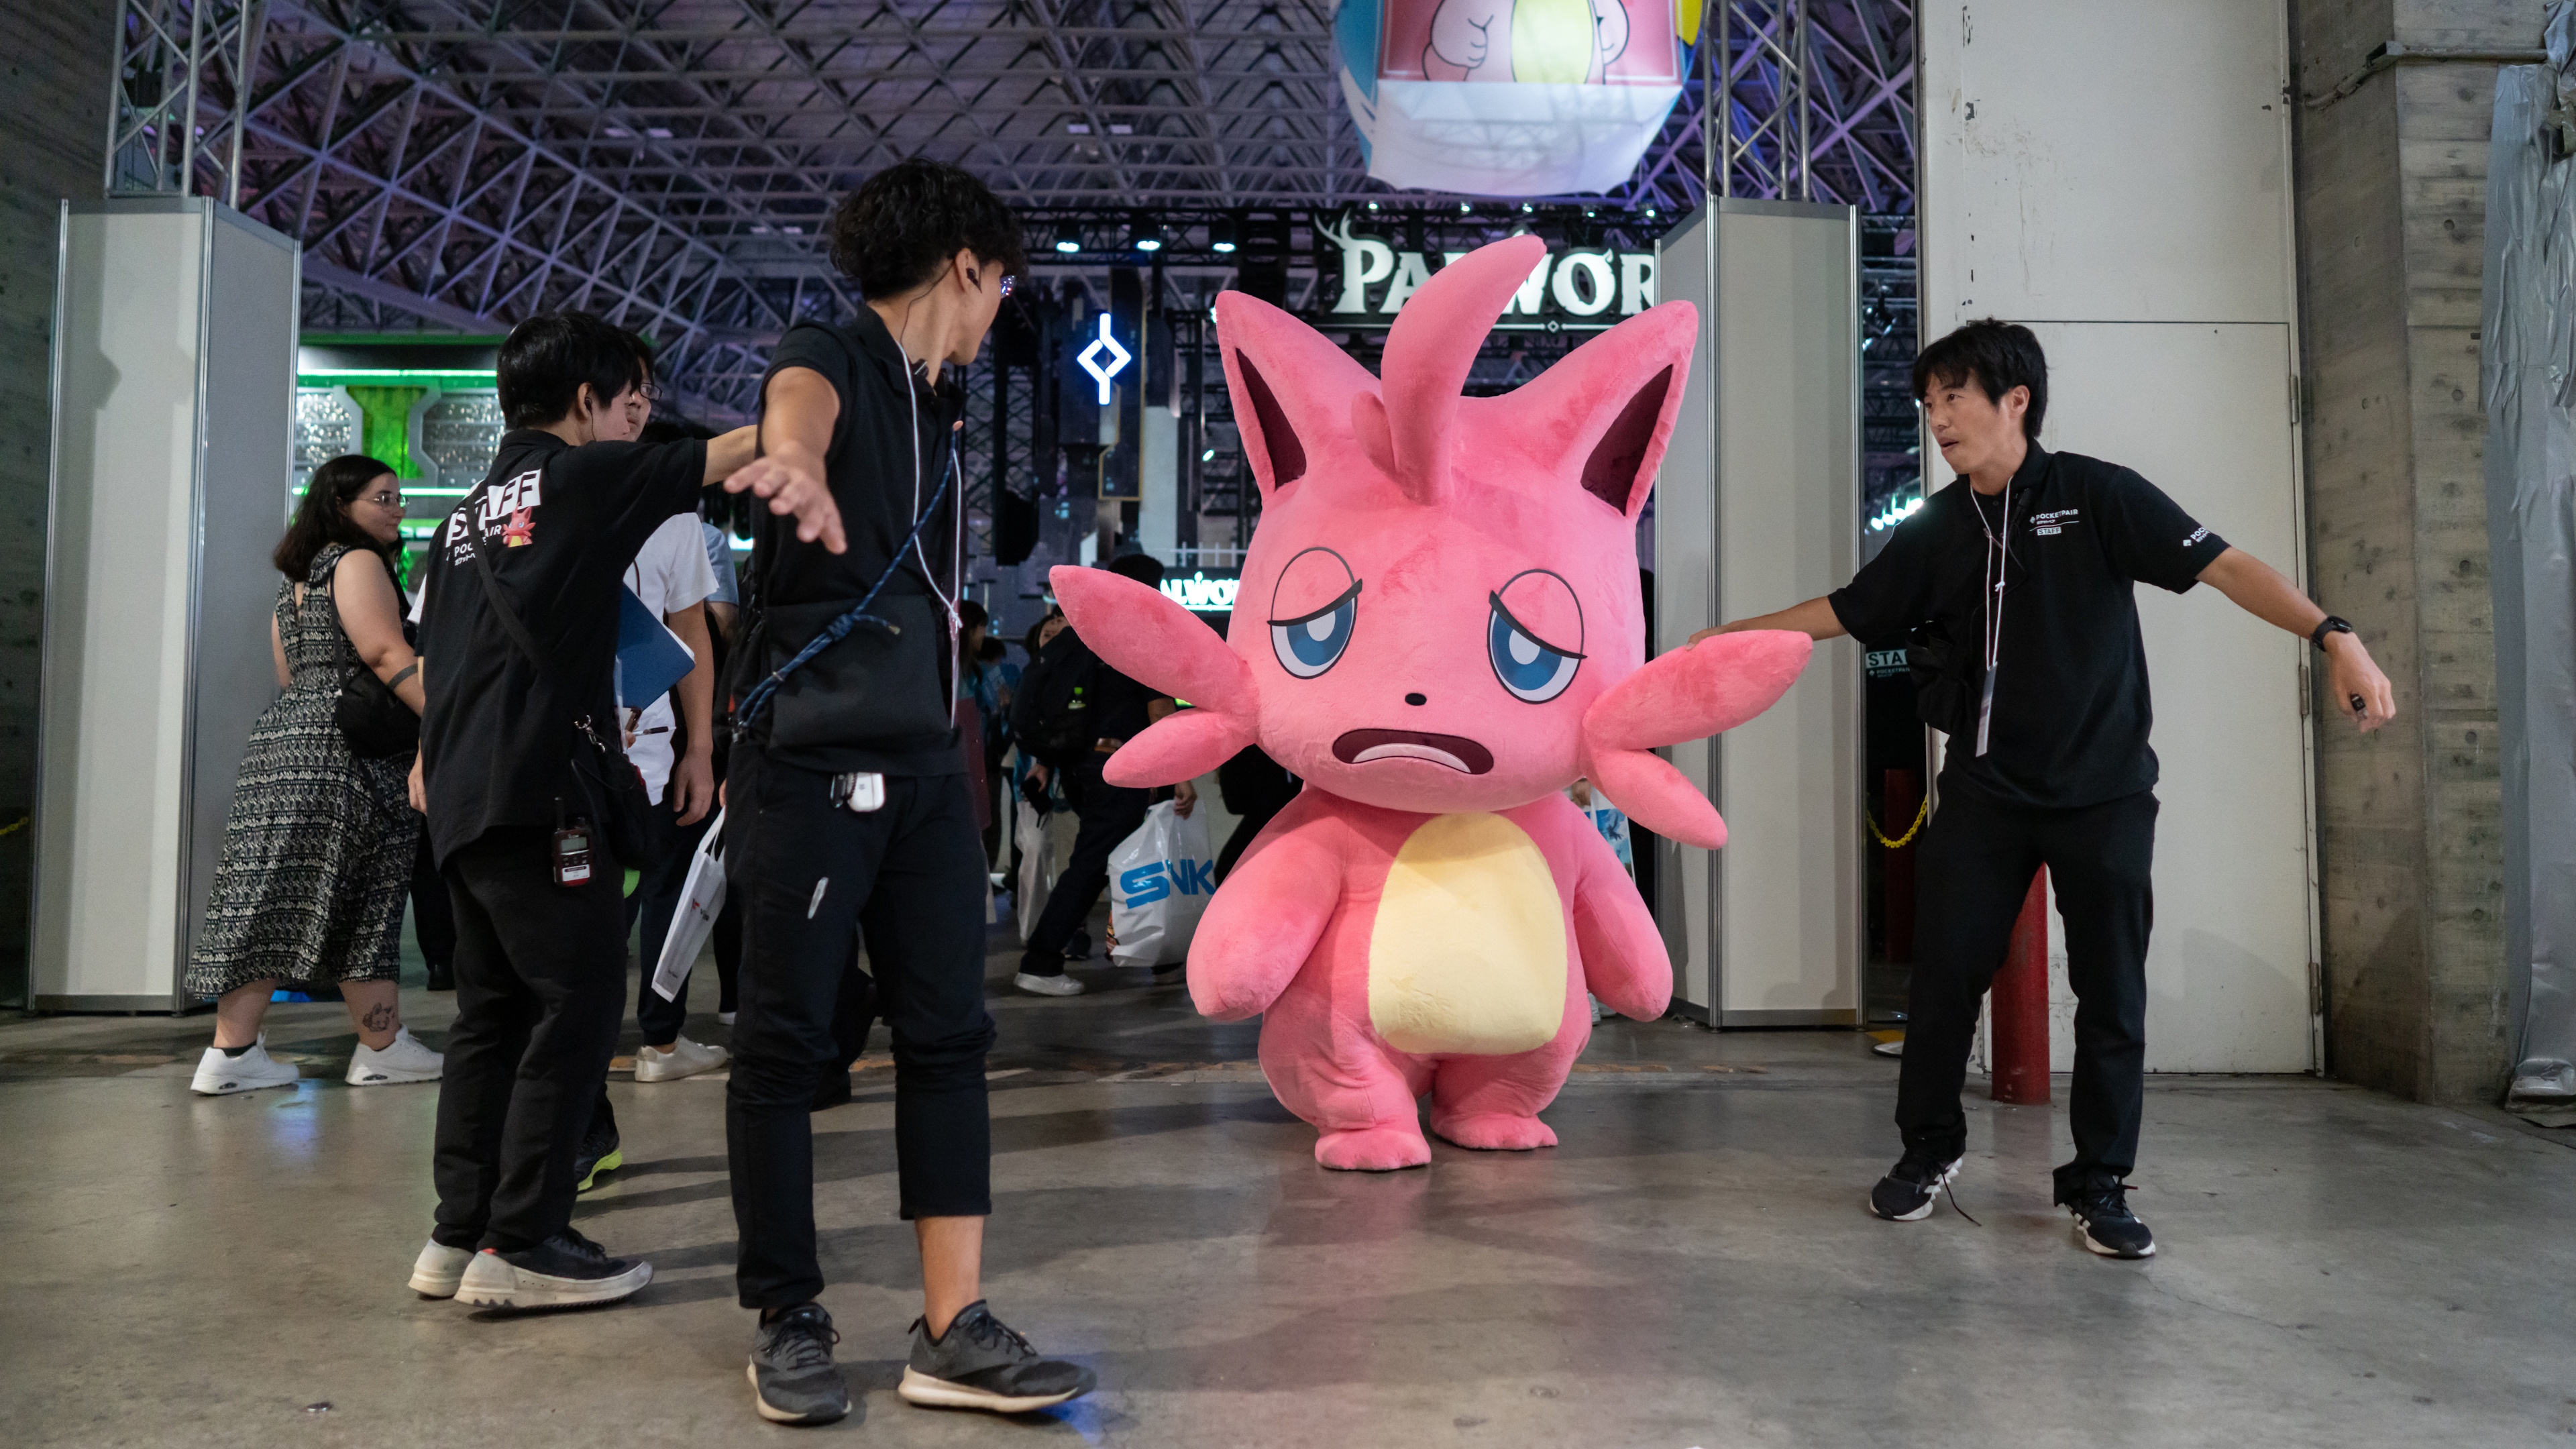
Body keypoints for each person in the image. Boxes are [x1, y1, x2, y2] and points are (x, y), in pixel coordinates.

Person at [1695, 319, 2396, 1259]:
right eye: (1929, 403)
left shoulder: (2098, 496)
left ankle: (2099, 1183)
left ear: (2014, 400)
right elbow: (1847, 611)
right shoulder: (1939, 529)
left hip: (2104, 793)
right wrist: (1726, 641)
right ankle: (1927, 1153)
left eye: (1955, 397)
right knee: (1944, 982)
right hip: (1985, 795)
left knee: (2112, 994)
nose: (1938, 417)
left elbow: (2223, 565)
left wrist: (2335, 636)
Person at [717, 158, 1094, 1428]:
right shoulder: (834, 346)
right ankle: (787, 1315)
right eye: (1000, 289)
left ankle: (954, 1327)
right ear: (967, 268)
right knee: (783, 1045)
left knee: (950, 1041)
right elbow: (797, 400)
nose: (998, 314)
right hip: (810, 765)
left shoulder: (943, 402)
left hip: (928, 767)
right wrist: (794, 463)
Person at [401, 311, 840, 1312]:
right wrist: (818, 385)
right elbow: (735, 451)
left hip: (467, 792)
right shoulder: (579, 477)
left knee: (491, 1015)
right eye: (625, 400)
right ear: (585, 401)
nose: (635, 419)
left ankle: (456, 1232)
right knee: (580, 1004)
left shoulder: (462, 515)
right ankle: (524, 1241)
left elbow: (443, 662)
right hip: (548, 788)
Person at [186, 454, 440, 1095]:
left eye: (398, 497)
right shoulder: (356, 563)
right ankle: (380, 1048)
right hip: (348, 751)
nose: (398, 509)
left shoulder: (295, 579)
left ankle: (236, 1052)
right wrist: (442, 718)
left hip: (286, 739)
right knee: (368, 895)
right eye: (383, 497)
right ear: (341, 503)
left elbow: (287, 673)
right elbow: (386, 652)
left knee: (266, 899)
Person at [1011, 553, 1193, 996]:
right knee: (1097, 863)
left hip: (1082, 768)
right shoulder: (1140, 632)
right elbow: (1160, 709)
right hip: (1120, 768)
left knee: (1135, 855)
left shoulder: (1085, 631)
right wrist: (1181, 772)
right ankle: (1042, 960)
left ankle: (1165, 961)